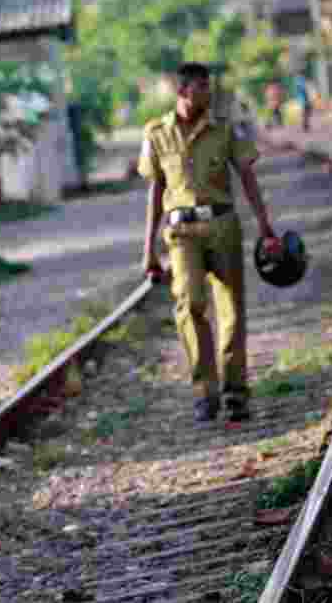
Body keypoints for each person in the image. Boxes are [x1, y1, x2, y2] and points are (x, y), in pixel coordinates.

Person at [139, 62, 282, 423]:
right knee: (190, 303)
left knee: (232, 308)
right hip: (181, 233)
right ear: (182, 91)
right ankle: (205, 392)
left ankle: (235, 392)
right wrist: (149, 250)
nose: (209, 92)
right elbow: (155, 191)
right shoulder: (157, 134)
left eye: (209, 86)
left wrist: (265, 226)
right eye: (202, 87)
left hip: (222, 226)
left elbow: (247, 176)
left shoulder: (225, 131)